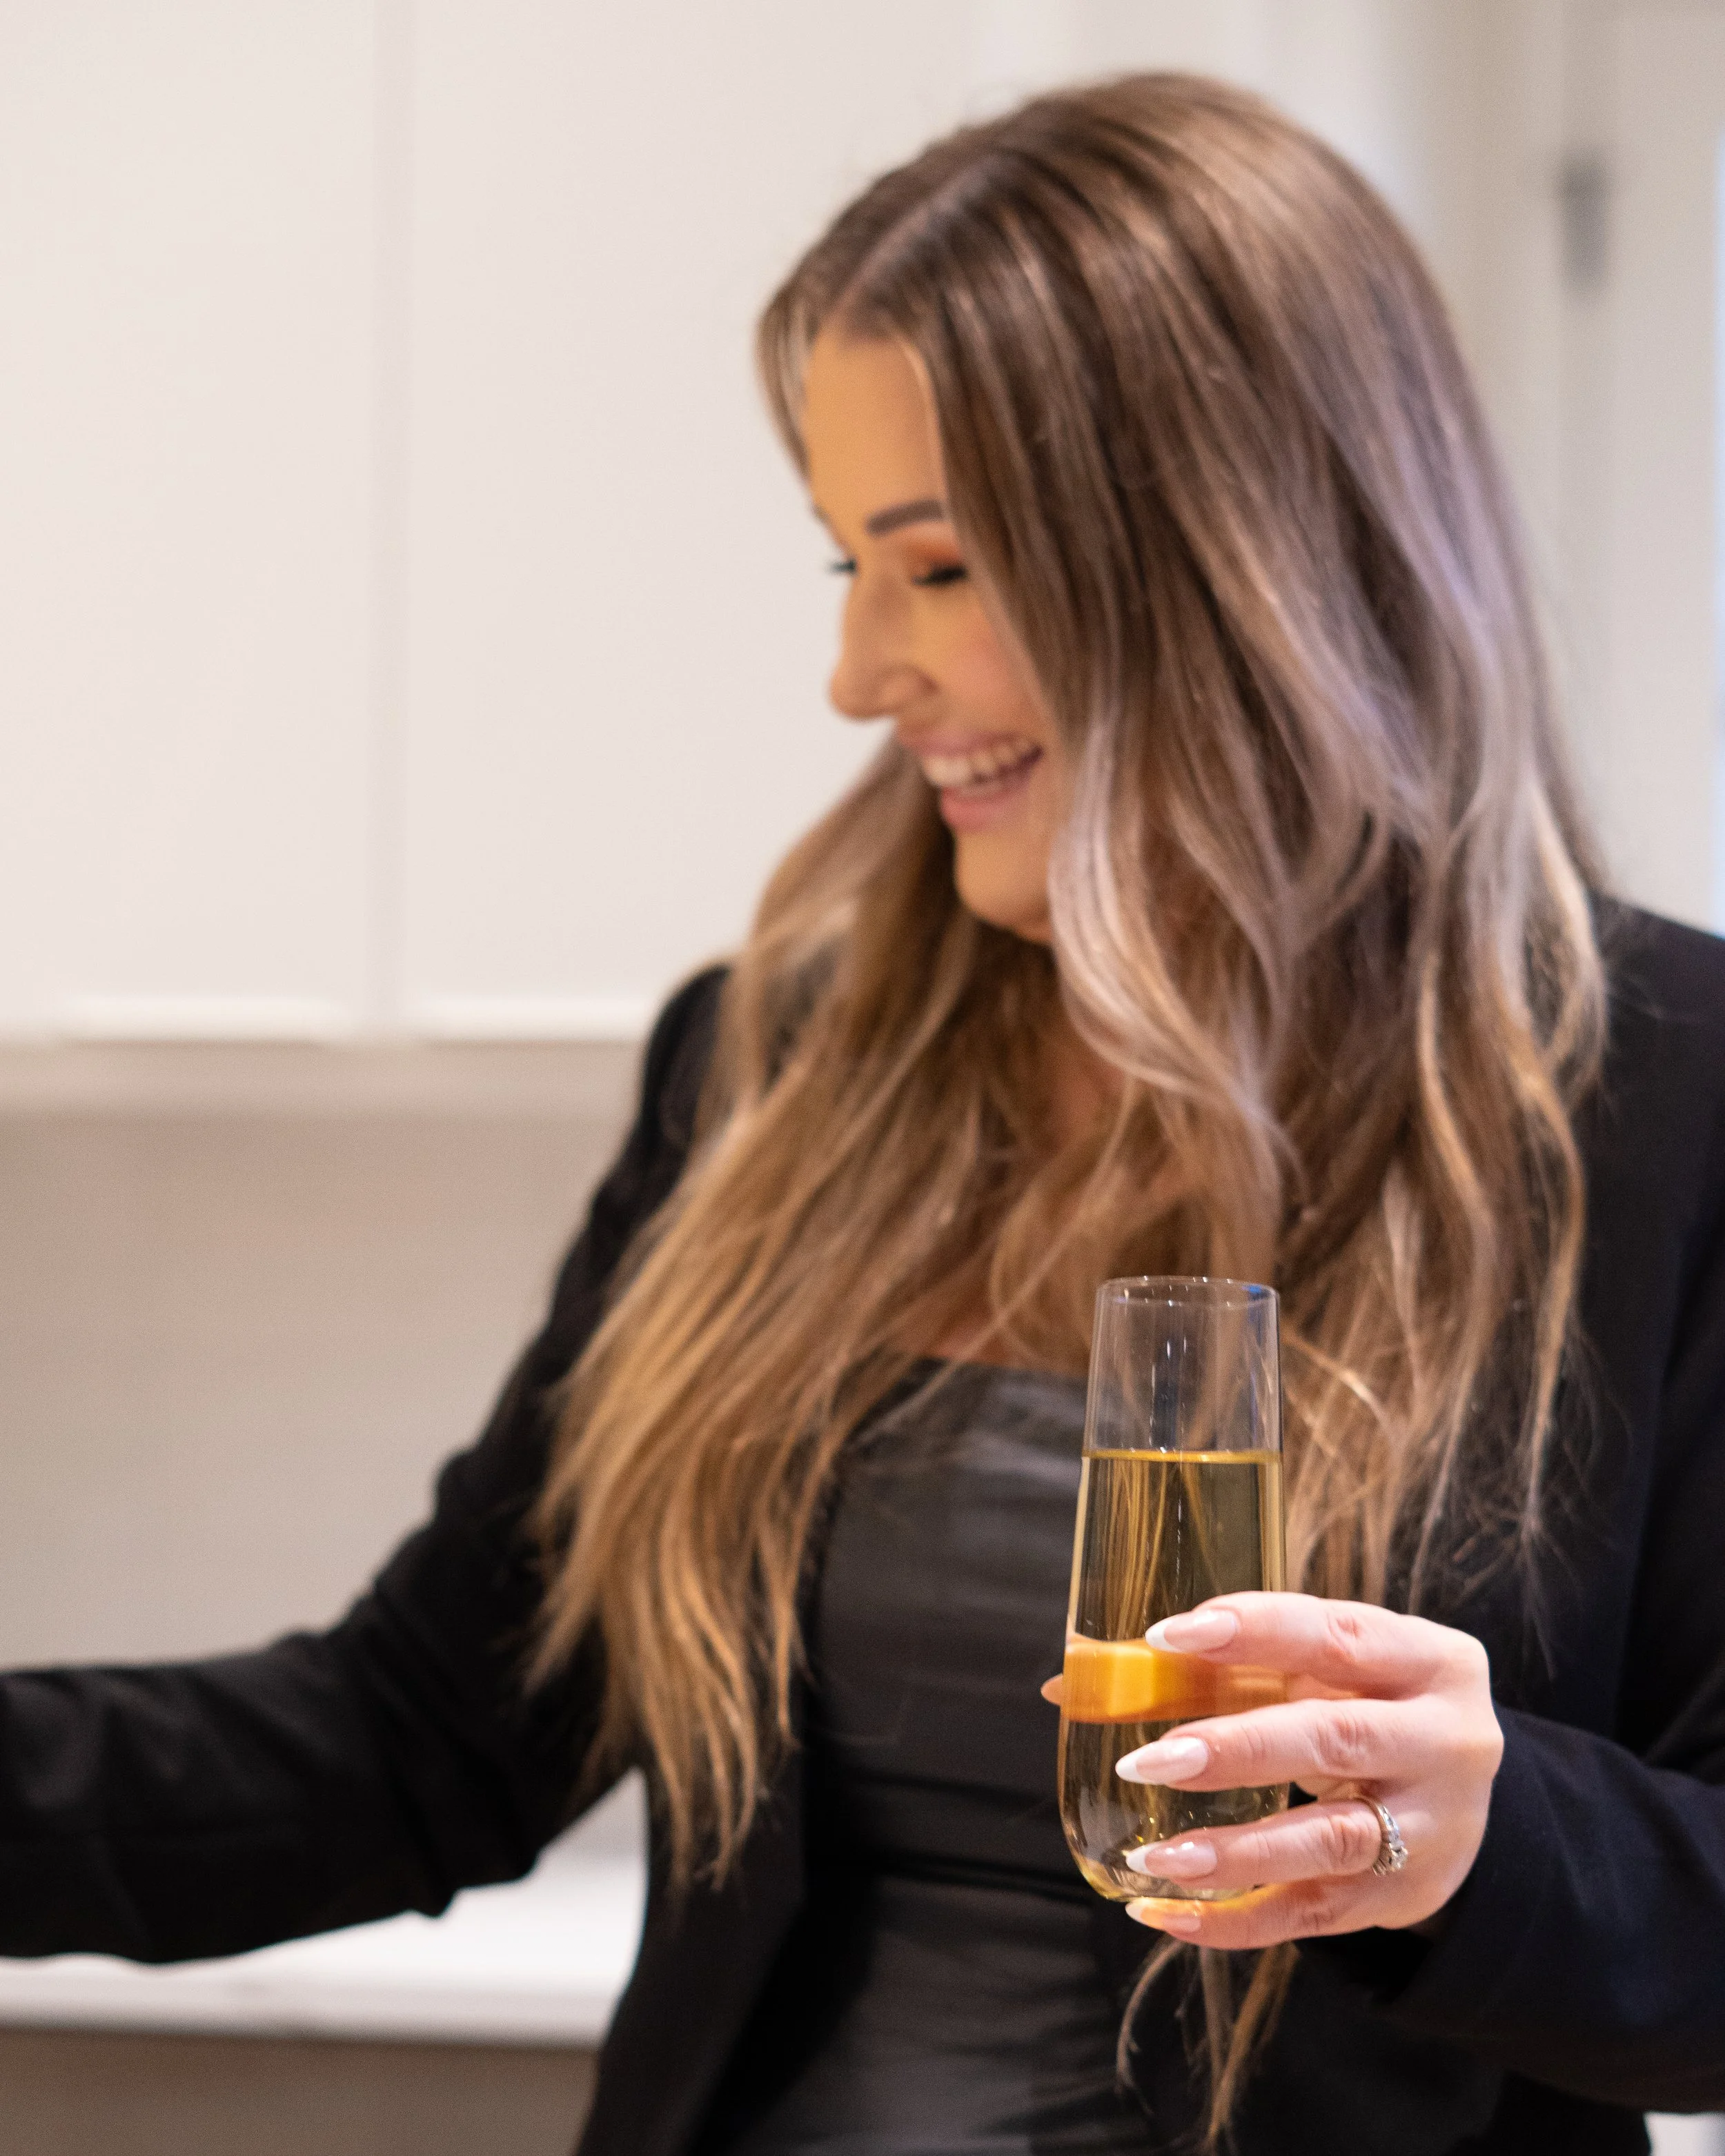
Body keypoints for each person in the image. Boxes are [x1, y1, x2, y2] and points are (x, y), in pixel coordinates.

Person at [3, 70, 1724, 2156]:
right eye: (844, 562)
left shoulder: (1664, 1102)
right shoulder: (771, 1069)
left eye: (932, 568)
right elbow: (415, 1740)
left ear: (1221, 559)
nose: (851, 672)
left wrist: (1489, 1829)